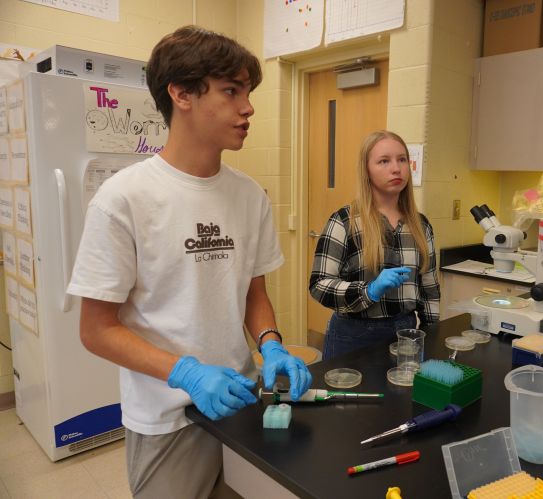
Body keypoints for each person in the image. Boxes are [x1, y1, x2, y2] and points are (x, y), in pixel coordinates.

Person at [67, 26, 312, 498]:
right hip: (166, 419)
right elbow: (96, 330)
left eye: (248, 92)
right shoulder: (123, 199)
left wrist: (271, 344)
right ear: (181, 94)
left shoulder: (250, 196)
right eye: (231, 91)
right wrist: (187, 373)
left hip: (241, 405)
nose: (248, 107)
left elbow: (253, 294)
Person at [309, 130, 440, 360]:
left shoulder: (420, 225)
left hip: (406, 335)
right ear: (366, 170)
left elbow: (429, 288)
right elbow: (319, 285)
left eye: (402, 160)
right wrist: (368, 291)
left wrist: (432, 334)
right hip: (353, 336)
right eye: (384, 161)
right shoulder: (345, 221)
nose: (396, 168)